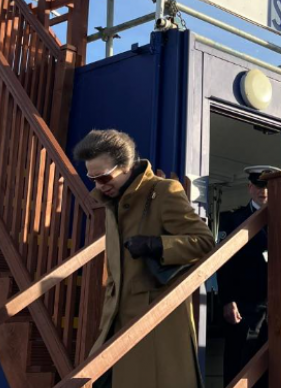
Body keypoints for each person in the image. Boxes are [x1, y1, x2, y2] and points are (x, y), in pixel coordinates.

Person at [73, 129, 214, 388]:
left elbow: (205, 242)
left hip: (154, 321)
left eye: (103, 176)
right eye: (92, 178)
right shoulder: (109, 202)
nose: (99, 185)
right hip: (116, 320)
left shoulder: (162, 191)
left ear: (125, 166)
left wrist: (155, 245)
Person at [216, 165, 279, 388]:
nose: (264, 191)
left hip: (277, 307)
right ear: (250, 187)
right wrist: (227, 300)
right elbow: (224, 264)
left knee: (272, 369)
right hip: (244, 305)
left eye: (269, 186)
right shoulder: (233, 220)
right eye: (259, 185)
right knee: (240, 364)